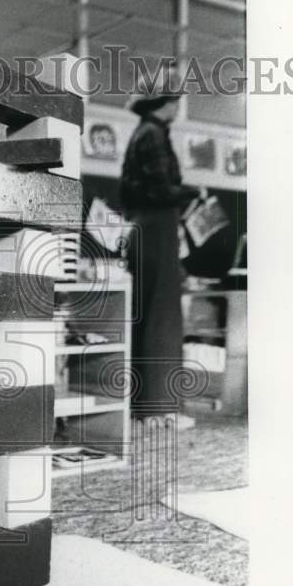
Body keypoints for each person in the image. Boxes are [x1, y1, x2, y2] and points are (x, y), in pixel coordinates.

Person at [120, 72, 203, 428]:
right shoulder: (153, 134)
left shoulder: (143, 132)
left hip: (145, 226)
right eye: (176, 101)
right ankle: (160, 409)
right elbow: (160, 190)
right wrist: (192, 193)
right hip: (156, 225)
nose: (178, 108)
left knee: (147, 314)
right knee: (162, 315)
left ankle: (147, 406)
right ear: (165, 102)